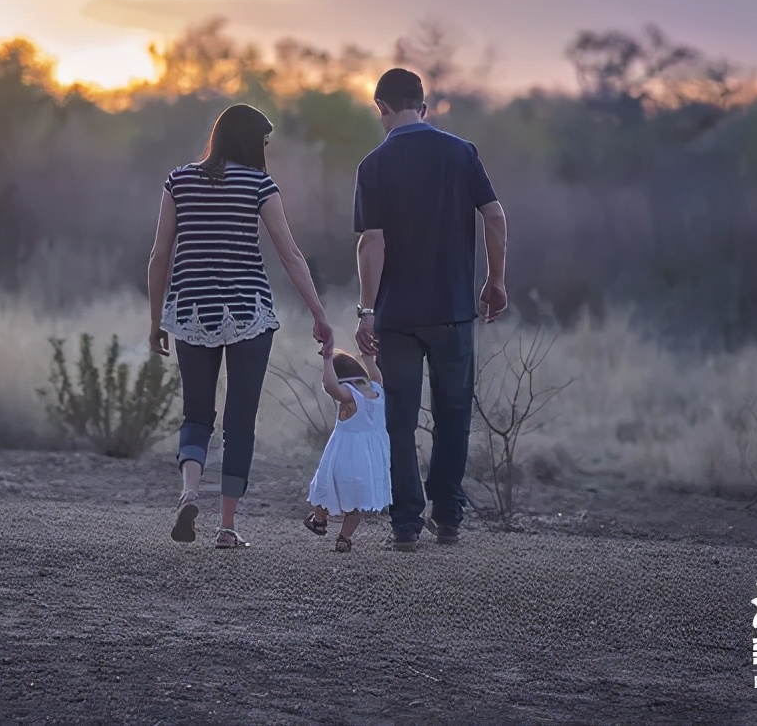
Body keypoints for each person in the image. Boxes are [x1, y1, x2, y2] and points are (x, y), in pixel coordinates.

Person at [148, 103, 333, 549]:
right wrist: (319, 314)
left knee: (196, 413)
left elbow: (159, 256)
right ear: (250, 141)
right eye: (263, 141)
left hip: (191, 311)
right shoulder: (259, 184)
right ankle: (227, 527)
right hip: (249, 312)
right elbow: (290, 255)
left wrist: (156, 319)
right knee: (240, 421)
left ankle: (190, 493)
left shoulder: (179, 181)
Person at [353, 68, 509, 551]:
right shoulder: (461, 153)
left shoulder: (374, 164)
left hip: (397, 316)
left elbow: (371, 242)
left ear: (381, 107)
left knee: (399, 419)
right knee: (454, 414)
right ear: (423, 105)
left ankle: (405, 524)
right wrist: (495, 280)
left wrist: (366, 310)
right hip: (454, 310)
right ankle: (448, 516)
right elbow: (495, 216)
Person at [304, 349, 391, 553]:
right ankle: (344, 537)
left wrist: (327, 359)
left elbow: (330, 386)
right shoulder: (377, 390)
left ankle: (319, 519)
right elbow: (377, 374)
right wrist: (367, 355)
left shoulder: (349, 397)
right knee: (359, 500)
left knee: (327, 486)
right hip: (372, 458)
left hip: (345, 454)